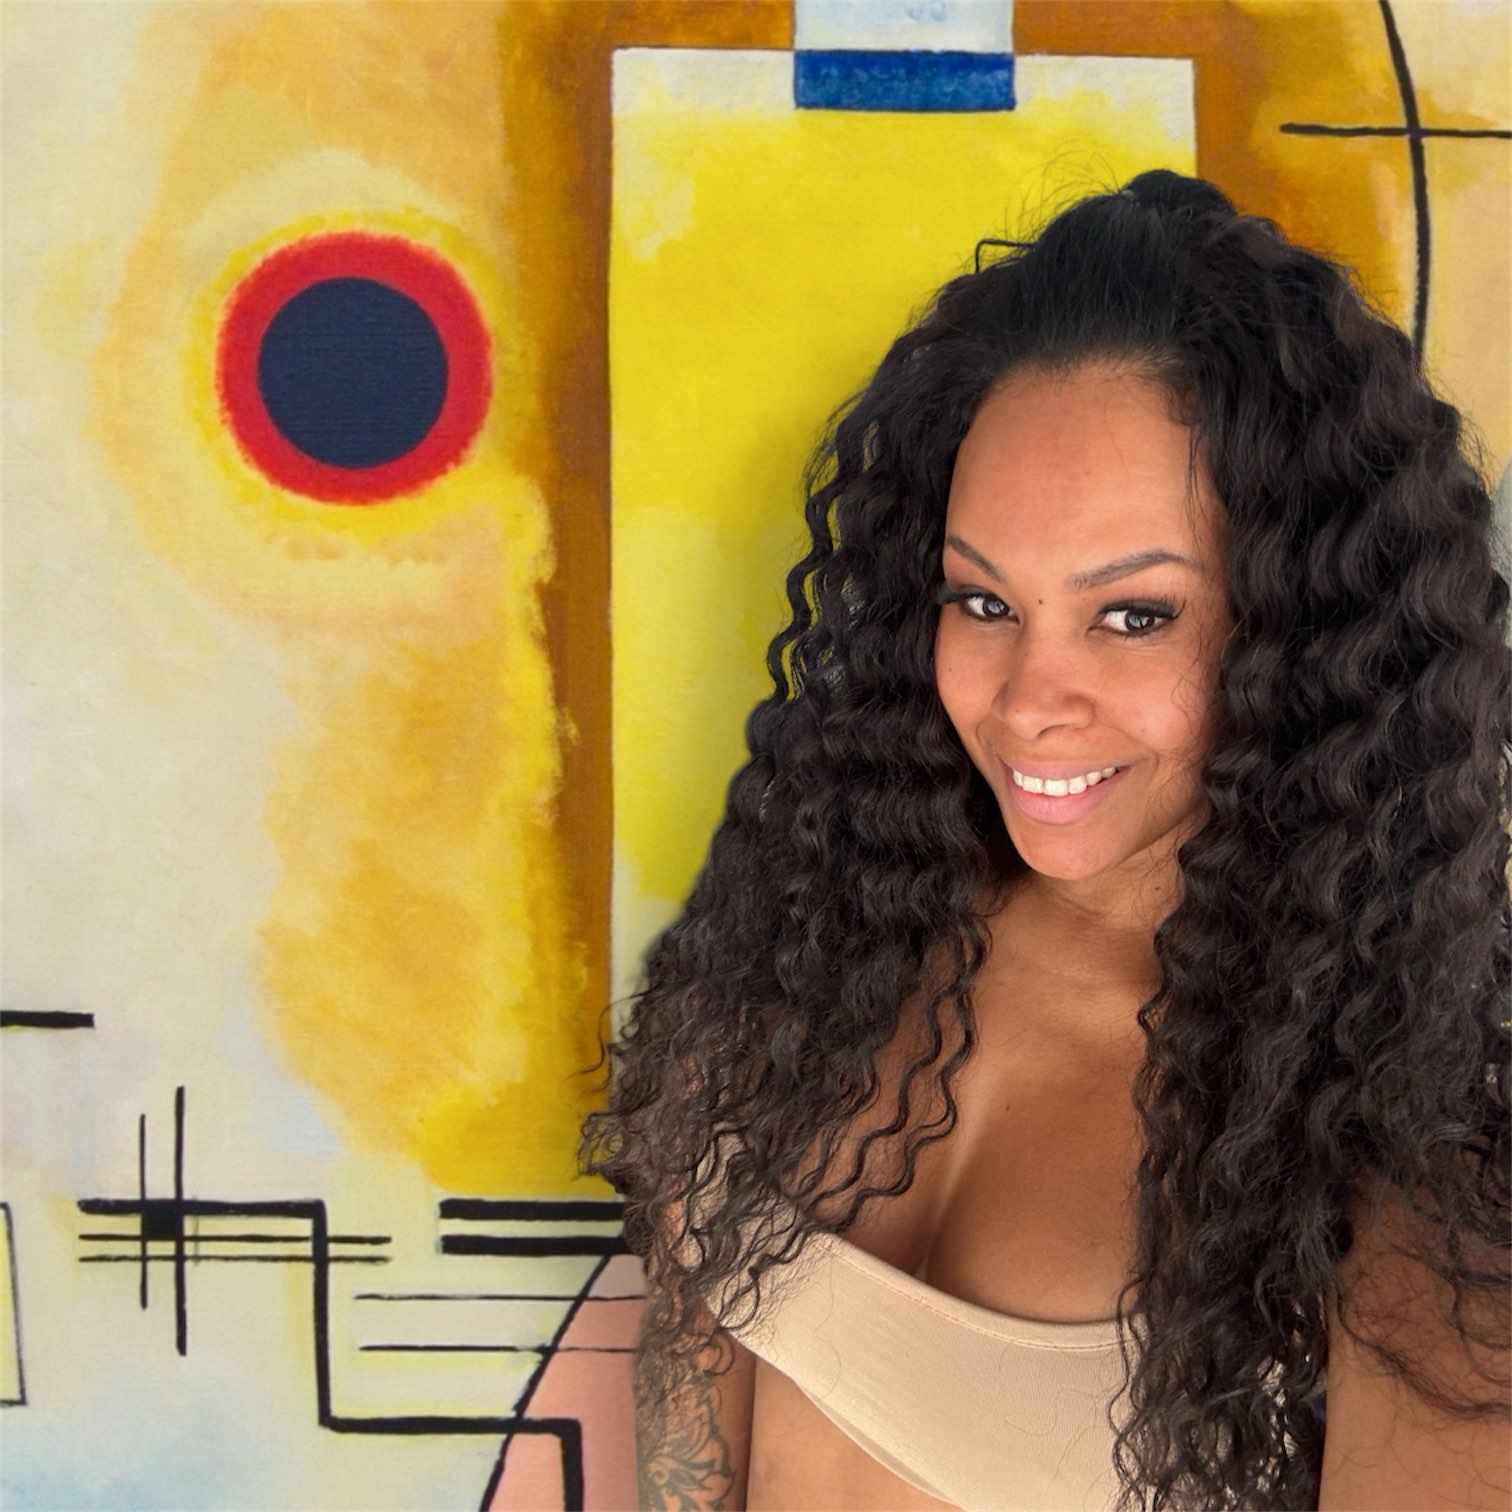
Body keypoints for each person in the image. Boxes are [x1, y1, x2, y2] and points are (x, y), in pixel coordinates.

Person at [579, 169, 1511, 1511]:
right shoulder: (809, 955)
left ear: (1303, 642)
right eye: (982, 600)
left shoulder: (1401, 1142)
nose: (1027, 700)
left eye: (1133, 616)